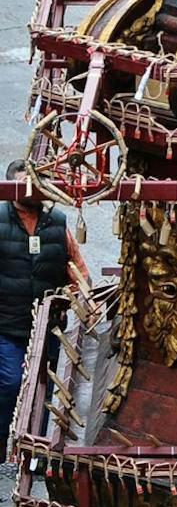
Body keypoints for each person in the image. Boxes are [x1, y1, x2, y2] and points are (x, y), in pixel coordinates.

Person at [0, 164, 84, 431]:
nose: (34, 189)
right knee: (10, 383)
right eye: (27, 183)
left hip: (48, 329)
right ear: (12, 186)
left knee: (43, 391)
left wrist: (68, 299)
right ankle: (2, 437)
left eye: (39, 182)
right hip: (6, 327)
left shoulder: (57, 222)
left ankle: (34, 451)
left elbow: (80, 275)